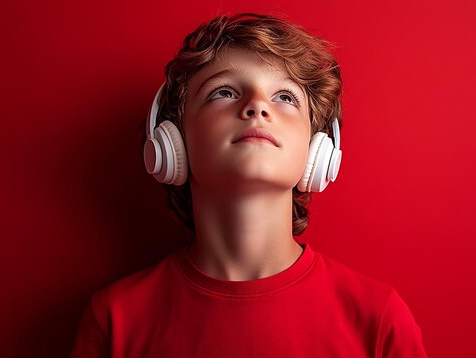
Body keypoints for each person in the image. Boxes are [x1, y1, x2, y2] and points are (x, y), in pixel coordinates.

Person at [70, 13, 428, 357]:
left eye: (285, 97)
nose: (257, 106)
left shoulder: (378, 319)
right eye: (223, 92)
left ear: (316, 150)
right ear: (173, 141)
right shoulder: (115, 319)